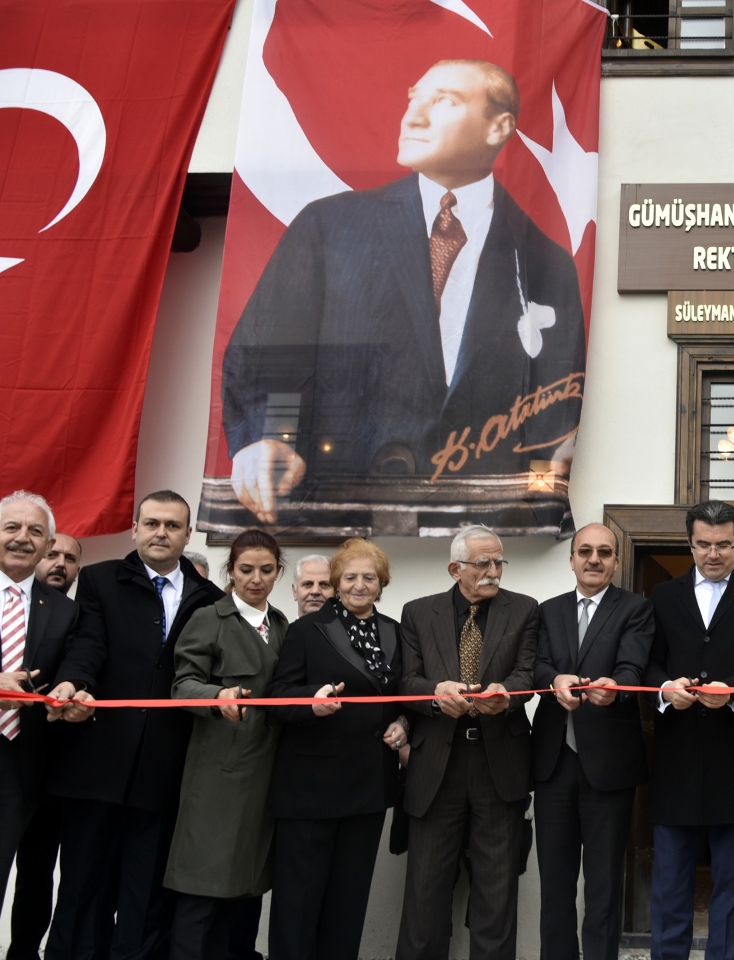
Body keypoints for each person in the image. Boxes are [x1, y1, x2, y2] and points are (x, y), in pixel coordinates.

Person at [221, 58, 586, 529]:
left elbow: (555, 399)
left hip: (487, 528)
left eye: (444, 102)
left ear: (499, 127)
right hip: (339, 519)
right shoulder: (329, 229)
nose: (412, 116)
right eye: (413, 98)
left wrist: (541, 490)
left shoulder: (545, 262)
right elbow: (273, 351)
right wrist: (271, 436)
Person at [46, 490, 223, 960]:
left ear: (188, 534)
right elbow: (88, 645)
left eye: (171, 525)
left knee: (144, 897)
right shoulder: (101, 579)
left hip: (166, 772)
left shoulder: (211, 599)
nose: (160, 532)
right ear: (135, 529)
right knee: (82, 889)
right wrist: (74, 682)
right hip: (97, 760)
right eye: (151, 524)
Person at [645, 500, 734, 960]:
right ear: (689, 544)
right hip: (676, 758)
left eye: (724, 545)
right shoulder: (663, 596)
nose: (713, 554)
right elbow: (649, 662)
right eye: (703, 545)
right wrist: (664, 690)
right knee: (669, 882)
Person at [396, 524, 536, 960]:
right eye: (483, 563)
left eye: (499, 562)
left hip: (499, 764)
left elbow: (527, 674)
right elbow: (407, 680)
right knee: (425, 891)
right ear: (456, 568)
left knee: (496, 893)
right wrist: (436, 696)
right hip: (438, 762)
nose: (494, 571)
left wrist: (506, 696)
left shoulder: (525, 609)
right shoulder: (419, 612)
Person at [265, 538, 406, 960]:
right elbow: (276, 697)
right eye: (350, 577)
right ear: (336, 583)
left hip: (368, 787)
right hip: (311, 790)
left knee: (348, 902)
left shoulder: (395, 632)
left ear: (381, 585)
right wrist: (312, 701)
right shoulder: (307, 629)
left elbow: (399, 698)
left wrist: (402, 723)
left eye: (369, 578)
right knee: (298, 906)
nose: (360, 586)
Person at [532, 523, 654, 960]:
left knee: (603, 883)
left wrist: (614, 686)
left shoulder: (636, 609)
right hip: (553, 763)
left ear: (616, 562)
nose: (594, 559)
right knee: (556, 884)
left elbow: (632, 666)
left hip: (609, 764)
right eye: (585, 551)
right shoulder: (548, 610)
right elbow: (537, 665)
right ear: (571, 560)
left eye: (604, 552)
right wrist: (554, 678)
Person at [166, 530, 289, 960]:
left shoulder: (281, 625)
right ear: (230, 571)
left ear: (278, 573)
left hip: (264, 772)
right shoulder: (208, 618)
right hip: (218, 775)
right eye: (245, 569)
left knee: (244, 890)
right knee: (200, 888)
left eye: (266, 570)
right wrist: (216, 697)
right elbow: (182, 686)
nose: (256, 579)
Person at [0, 492, 79, 959]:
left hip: (17, 770)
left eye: (35, 532)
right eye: (12, 528)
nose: (23, 539)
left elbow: (77, 668)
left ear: (47, 545)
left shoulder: (64, 611)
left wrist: (71, 691)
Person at [6, 531, 81, 960]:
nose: (60, 564)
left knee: (37, 872)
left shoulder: (75, 615)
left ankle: (23, 951)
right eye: (52, 555)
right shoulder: (2, 604)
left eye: (70, 559)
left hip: (49, 766)